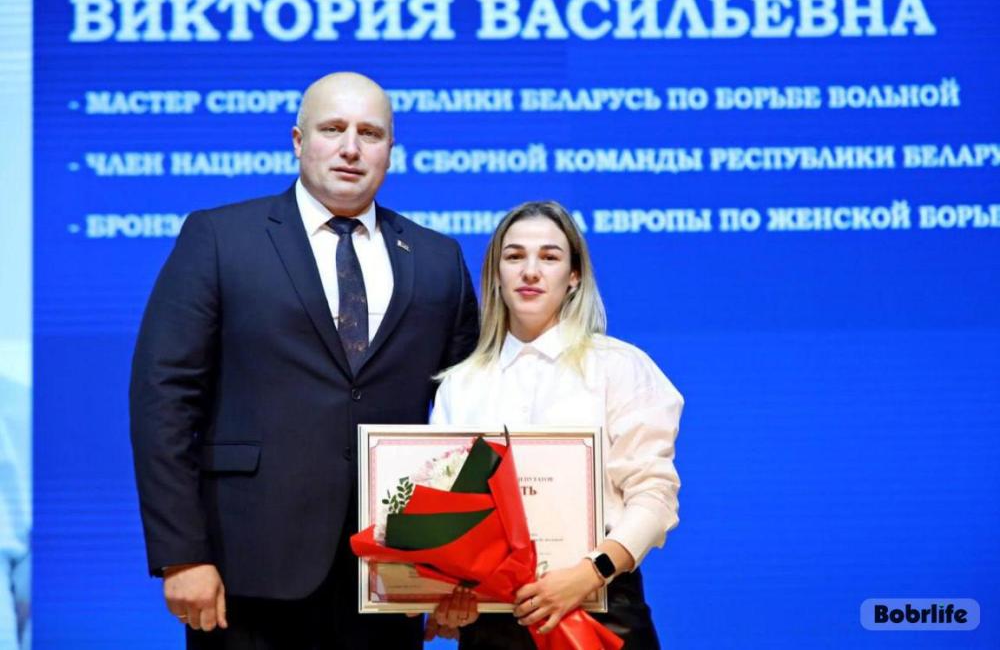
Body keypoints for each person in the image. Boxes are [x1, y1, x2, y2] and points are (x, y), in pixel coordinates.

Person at [129, 72, 479, 650]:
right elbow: (163, 398)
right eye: (333, 129)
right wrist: (181, 555)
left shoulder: (438, 258)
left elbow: (469, 416)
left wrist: (464, 567)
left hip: (390, 575)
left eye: (370, 133)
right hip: (247, 571)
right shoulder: (220, 237)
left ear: (391, 150)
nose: (351, 148)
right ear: (298, 140)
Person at [428, 201, 682, 648]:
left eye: (549, 257)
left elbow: (654, 497)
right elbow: (447, 512)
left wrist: (590, 572)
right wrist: (448, 599)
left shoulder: (620, 367)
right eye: (514, 256)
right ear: (496, 274)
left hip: (600, 612)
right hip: (493, 625)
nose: (530, 271)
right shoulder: (460, 384)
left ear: (574, 276)